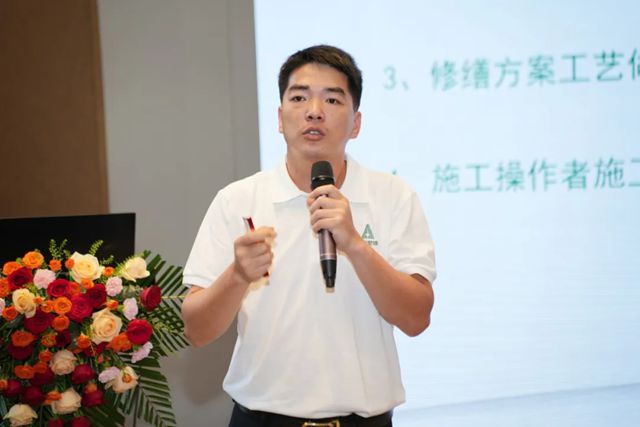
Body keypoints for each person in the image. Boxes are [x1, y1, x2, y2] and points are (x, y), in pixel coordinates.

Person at [181, 45, 436, 427]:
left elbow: (416, 318)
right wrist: (237, 275)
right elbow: (197, 330)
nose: (314, 111)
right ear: (280, 117)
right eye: (299, 97)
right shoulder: (238, 200)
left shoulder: (393, 196)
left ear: (356, 123)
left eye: (332, 99)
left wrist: (355, 244)